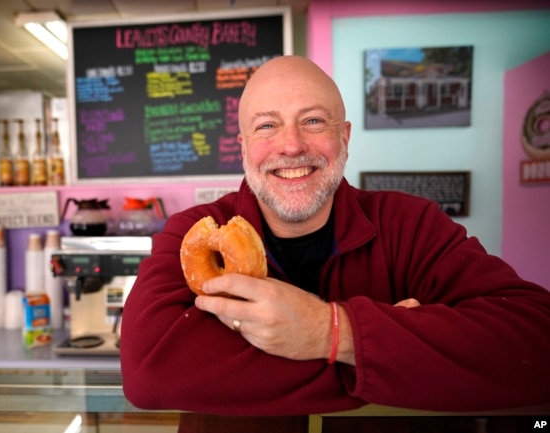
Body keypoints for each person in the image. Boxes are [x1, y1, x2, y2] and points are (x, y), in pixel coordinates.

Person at [120, 55, 550, 419]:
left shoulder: (411, 224)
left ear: (343, 137)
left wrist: (331, 333)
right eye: (267, 126)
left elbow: (536, 341)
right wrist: (391, 360)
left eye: (312, 120)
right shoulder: (190, 231)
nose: (291, 145)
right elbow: (148, 373)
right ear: (244, 146)